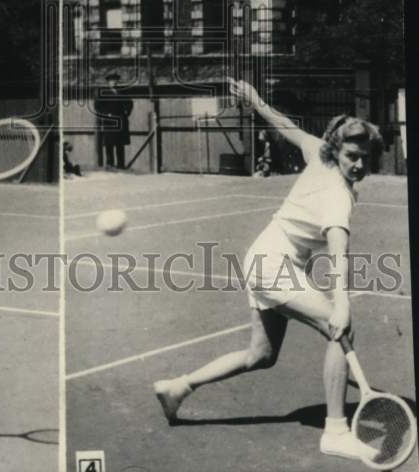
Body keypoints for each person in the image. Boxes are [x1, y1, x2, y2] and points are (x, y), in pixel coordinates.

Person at [153, 78, 380, 462]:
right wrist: (340, 305)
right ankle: (337, 432)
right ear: (336, 151)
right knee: (339, 328)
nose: (359, 165)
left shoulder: (317, 153)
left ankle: (178, 387)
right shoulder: (337, 197)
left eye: (365, 157)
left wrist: (256, 101)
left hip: (265, 257)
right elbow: (339, 252)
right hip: (273, 265)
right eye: (352, 156)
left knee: (260, 355)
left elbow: (286, 127)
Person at [93, 71, 133, 170]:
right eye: (111, 81)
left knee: (120, 144)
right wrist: (107, 115)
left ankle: (121, 165)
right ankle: (110, 164)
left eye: (115, 81)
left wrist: (126, 112)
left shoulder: (122, 92)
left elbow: (130, 103)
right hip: (109, 122)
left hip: (120, 121)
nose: (114, 83)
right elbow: (98, 107)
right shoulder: (104, 93)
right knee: (109, 144)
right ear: (108, 83)